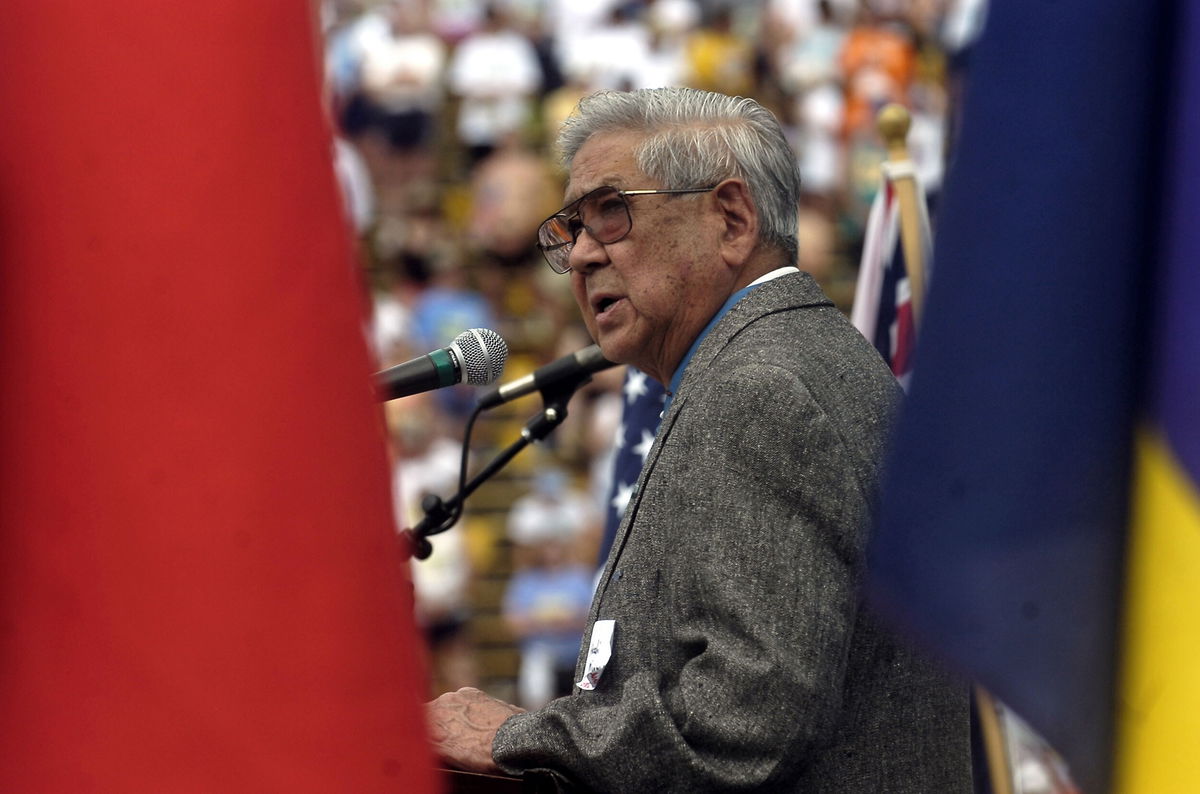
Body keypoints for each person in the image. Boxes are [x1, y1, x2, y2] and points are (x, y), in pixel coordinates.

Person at [427, 86, 971, 792]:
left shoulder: (763, 389)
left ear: (732, 218)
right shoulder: (773, 363)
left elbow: (741, 720)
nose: (584, 255)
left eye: (611, 212)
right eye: (573, 228)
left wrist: (519, 738)